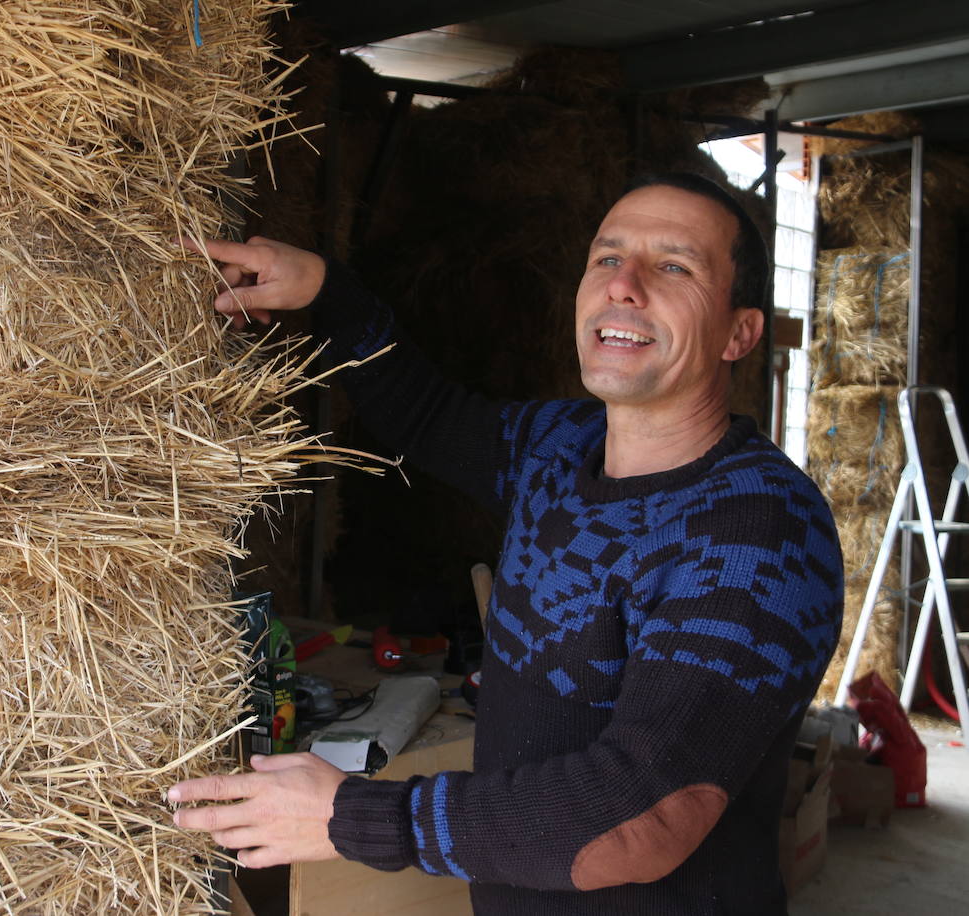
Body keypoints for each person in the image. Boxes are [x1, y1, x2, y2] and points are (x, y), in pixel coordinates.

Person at [169, 172, 843, 914]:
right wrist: (325, 291)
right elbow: (429, 417)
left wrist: (353, 817)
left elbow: (638, 816)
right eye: (607, 257)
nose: (625, 286)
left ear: (740, 331)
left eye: (674, 266)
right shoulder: (560, 446)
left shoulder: (760, 531)